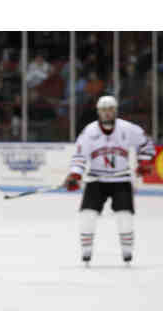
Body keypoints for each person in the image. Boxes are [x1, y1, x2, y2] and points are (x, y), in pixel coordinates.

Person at [64, 96, 155, 266]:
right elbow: (79, 156)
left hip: (121, 178)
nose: (107, 113)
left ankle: (127, 252)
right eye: (103, 110)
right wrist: (75, 174)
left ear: (115, 110)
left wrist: (144, 162)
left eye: (110, 109)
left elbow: (146, 144)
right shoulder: (89, 131)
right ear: (98, 111)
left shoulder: (128, 129)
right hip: (96, 179)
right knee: (87, 216)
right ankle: (86, 251)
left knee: (125, 216)